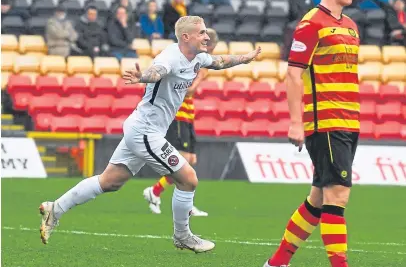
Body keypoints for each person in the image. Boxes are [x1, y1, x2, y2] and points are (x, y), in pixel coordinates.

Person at [39, 16, 261, 253]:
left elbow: (219, 61)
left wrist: (244, 59)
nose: (207, 37)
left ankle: (56, 208)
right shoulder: (170, 57)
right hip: (145, 131)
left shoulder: (197, 57)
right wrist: (141, 77)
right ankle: (182, 236)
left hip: (142, 128)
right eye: (202, 33)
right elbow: (157, 71)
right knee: (189, 180)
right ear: (186, 37)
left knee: (110, 181)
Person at [263, 0, 360, 267]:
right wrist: (296, 122)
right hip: (326, 123)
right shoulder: (310, 24)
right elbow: (293, 74)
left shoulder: (352, 26)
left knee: (318, 199)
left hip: (349, 121)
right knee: (337, 196)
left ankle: (276, 263)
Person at [142, 28, 219, 216]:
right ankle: (156, 192)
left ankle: (165, 195)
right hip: (178, 114)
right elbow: (189, 90)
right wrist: (202, 76)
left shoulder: (198, 61)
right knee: (183, 160)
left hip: (188, 114)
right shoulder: (189, 61)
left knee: (190, 159)